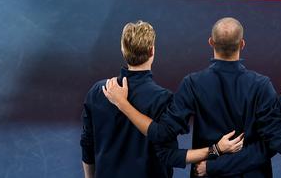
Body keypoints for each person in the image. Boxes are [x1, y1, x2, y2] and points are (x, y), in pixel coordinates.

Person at [102, 17, 281, 177]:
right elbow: (271, 145)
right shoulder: (262, 86)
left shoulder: (192, 84)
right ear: (242, 45)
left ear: (211, 42)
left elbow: (160, 134)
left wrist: (214, 164)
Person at [81, 20, 243, 178]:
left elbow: (87, 146)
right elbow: (170, 155)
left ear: (123, 50)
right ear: (152, 51)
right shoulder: (163, 99)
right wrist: (215, 150)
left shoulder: (98, 91)